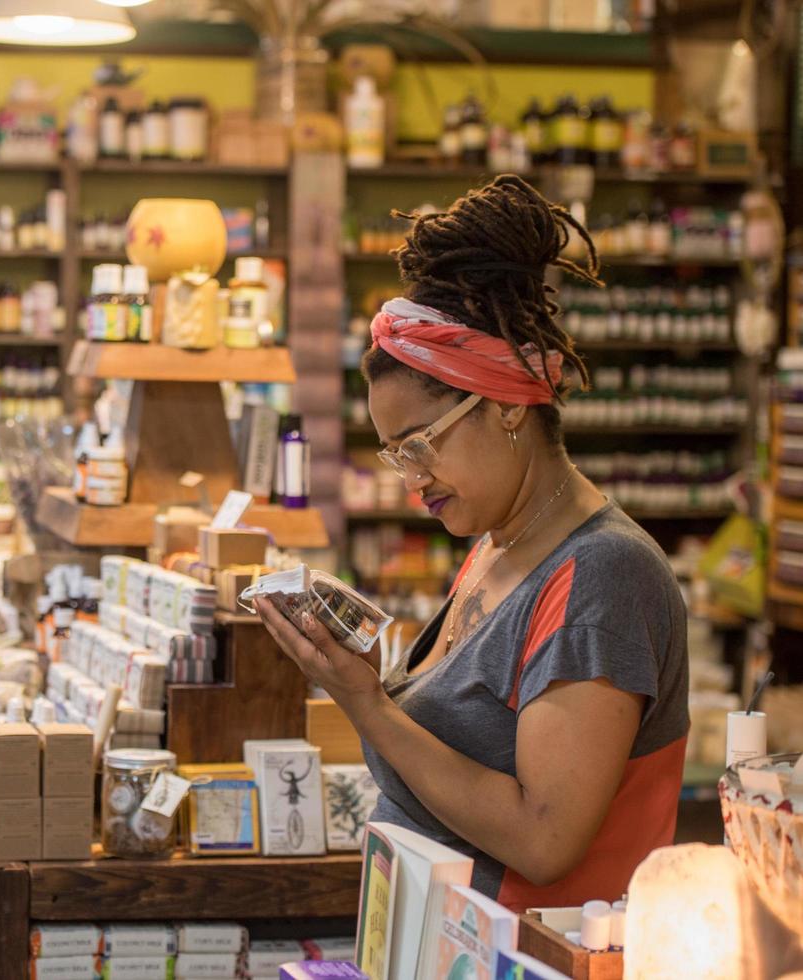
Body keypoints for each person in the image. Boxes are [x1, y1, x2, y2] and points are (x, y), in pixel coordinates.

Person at [255, 176, 688, 910]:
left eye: (418, 445)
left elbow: (544, 839)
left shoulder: (604, 575)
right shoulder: (497, 542)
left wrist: (368, 705)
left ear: (504, 407)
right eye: (396, 455)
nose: (410, 480)